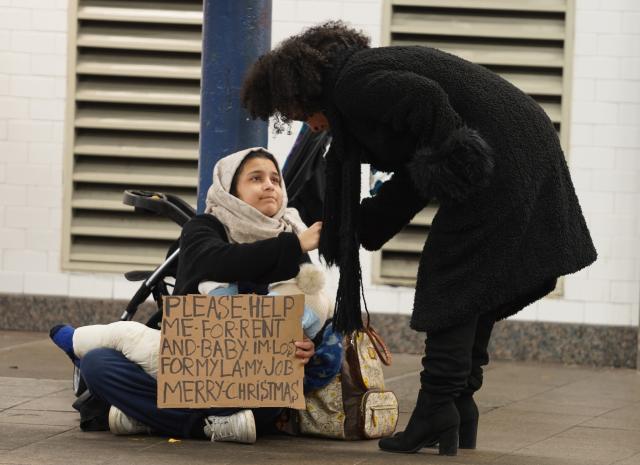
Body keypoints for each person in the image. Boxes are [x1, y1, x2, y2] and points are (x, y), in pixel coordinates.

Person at [240, 21, 597, 455]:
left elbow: (429, 104)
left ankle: (436, 409)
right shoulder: (358, 79)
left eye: (300, 116)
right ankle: (458, 404)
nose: (311, 127)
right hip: (516, 143)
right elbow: (417, 166)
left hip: (502, 154)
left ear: (305, 95)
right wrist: (364, 224)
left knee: (451, 278)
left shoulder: (354, 85)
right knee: (475, 284)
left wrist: (455, 163)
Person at [51, 147, 342, 444]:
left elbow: (313, 309)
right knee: (98, 364)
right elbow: (220, 260)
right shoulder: (204, 228)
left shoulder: (291, 231)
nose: (269, 185)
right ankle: (212, 425)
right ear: (230, 190)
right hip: (189, 371)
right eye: (256, 178)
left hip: (251, 386)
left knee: (274, 390)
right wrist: (291, 246)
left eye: (275, 179)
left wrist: (306, 347)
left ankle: (156, 419)